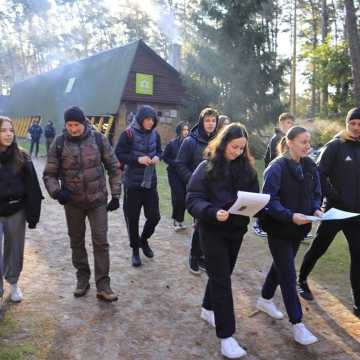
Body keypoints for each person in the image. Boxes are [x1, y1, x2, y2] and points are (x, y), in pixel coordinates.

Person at [186, 123, 259, 359]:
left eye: (241, 149)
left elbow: (255, 197)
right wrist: (211, 211)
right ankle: (226, 337)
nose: (237, 152)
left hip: (236, 231)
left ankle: (208, 309)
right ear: (224, 142)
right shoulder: (206, 167)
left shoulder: (247, 170)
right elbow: (193, 199)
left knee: (222, 275)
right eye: (234, 147)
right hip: (212, 231)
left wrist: (256, 207)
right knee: (222, 280)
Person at [43, 106, 121, 301]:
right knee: (76, 241)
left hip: (97, 201)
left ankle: (103, 284)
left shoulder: (98, 139)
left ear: (83, 122)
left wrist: (116, 195)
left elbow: (114, 167)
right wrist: (57, 192)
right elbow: (49, 174)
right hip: (73, 203)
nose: (73, 129)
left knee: (101, 242)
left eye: (76, 124)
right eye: (69, 125)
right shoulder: (59, 143)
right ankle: (82, 279)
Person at [257, 126, 321, 345]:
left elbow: (316, 193)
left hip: (299, 229)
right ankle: (298, 324)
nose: (307, 146)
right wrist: (290, 215)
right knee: (288, 275)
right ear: (290, 142)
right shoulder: (276, 168)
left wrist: (316, 208)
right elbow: (269, 201)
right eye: (303, 142)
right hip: (278, 229)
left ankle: (265, 299)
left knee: (281, 266)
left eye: (308, 142)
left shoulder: (310, 165)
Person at [298, 107, 360, 318]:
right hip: (335, 211)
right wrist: (333, 196)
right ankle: (301, 279)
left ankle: (358, 300)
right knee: (319, 248)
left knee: (358, 256)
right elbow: (318, 173)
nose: (356, 128)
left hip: (357, 215)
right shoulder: (335, 146)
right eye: (353, 123)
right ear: (347, 123)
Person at [0, 116, 43, 307]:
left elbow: (33, 187)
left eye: (10, 130)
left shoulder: (22, 156)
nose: (8, 134)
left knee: (14, 250)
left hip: (15, 210)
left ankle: (14, 283)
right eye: (3, 130)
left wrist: (33, 215)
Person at [115, 105, 162, 268]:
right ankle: (135, 250)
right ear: (140, 119)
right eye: (147, 119)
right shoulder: (128, 133)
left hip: (150, 183)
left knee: (155, 216)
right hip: (132, 184)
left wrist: (157, 157)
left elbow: (160, 151)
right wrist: (137, 160)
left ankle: (143, 240)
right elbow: (119, 154)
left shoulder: (156, 134)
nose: (150, 122)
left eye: (153, 120)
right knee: (132, 219)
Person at [176, 107, 218, 275]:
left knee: (209, 225)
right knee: (200, 224)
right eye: (207, 120)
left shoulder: (219, 140)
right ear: (201, 122)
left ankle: (201, 255)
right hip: (197, 192)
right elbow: (179, 164)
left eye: (213, 120)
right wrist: (193, 180)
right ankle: (194, 256)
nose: (210, 123)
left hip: (215, 191)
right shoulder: (190, 141)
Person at [253, 112, 295, 238]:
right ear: (281, 124)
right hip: (275, 174)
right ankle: (258, 225)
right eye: (288, 123)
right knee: (268, 200)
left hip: (282, 174)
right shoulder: (278, 138)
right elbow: (273, 158)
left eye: (292, 123)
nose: (291, 125)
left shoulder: (287, 138)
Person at [162, 121, 189, 231]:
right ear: (179, 131)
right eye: (184, 129)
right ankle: (176, 221)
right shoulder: (172, 144)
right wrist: (175, 163)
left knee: (183, 197)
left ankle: (180, 221)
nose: (186, 132)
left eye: (187, 129)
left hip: (184, 174)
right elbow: (165, 157)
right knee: (178, 196)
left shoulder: (189, 143)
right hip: (173, 174)